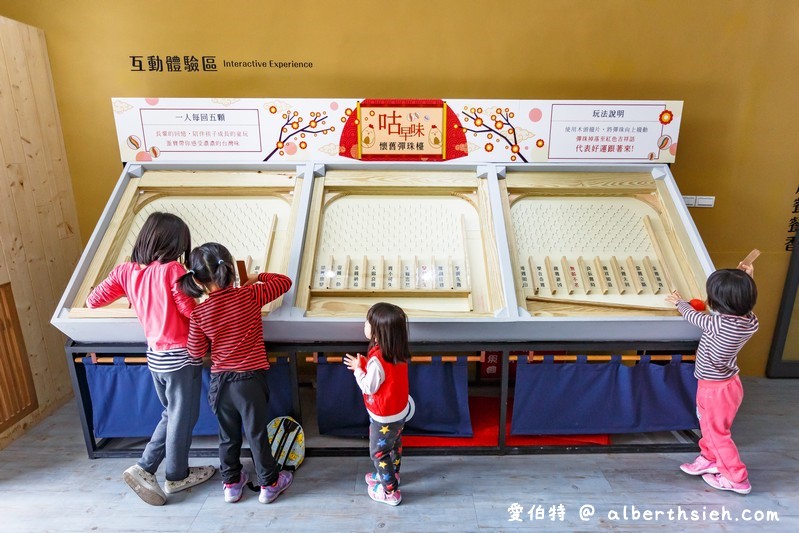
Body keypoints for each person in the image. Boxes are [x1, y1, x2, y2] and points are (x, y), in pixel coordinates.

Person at [86, 212, 215, 506]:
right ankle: (154, 469)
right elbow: (189, 311)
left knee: (175, 415)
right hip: (181, 357)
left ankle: (167, 470)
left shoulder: (126, 272)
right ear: (171, 243)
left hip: (156, 357)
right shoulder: (172, 270)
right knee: (180, 418)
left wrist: (137, 296)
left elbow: (93, 300)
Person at [179, 242, 293, 504]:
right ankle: (269, 483)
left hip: (220, 382)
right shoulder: (249, 295)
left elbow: (194, 353)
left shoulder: (199, 313)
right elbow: (283, 282)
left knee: (227, 436)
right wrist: (257, 277)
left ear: (196, 280)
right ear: (230, 269)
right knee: (256, 434)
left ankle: (231, 483)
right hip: (250, 379)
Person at [666, 261, 758, 495]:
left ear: (718, 303)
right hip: (729, 384)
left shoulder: (716, 323)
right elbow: (743, 305)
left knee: (717, 433)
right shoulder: (750, 322)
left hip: (714, 389)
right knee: (711, 428)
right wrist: (747, 279)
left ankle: (737, 478)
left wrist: (680, 303)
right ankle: (709, 458)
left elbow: (692, 315)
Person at [343, 302, 413, 506]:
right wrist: (365, 364)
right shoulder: (397, 350)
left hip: (383, 417)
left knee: (379, 452)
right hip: (399, 411)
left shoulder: (377, 360)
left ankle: (390, 491)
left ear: (377, 332)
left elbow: (369, 386)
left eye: (367, 322)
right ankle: (392, 474)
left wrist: (358, 369)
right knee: (394, 445)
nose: (364, 324)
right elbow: (387, 377)